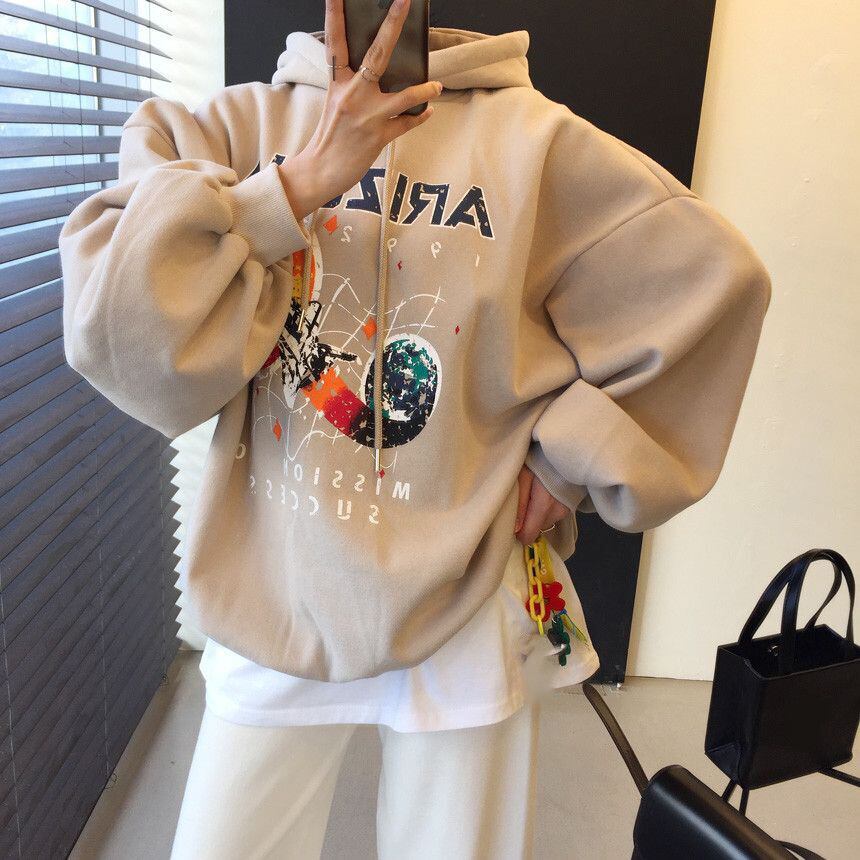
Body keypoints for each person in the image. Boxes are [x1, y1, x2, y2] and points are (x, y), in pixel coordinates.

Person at [58, 0, 772, 856]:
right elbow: (113, 324)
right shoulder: (226, 129)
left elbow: (713, 283)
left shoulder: (540, 144)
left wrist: (567, 462)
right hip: (275, 585)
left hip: (466, 588)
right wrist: (293, 185)